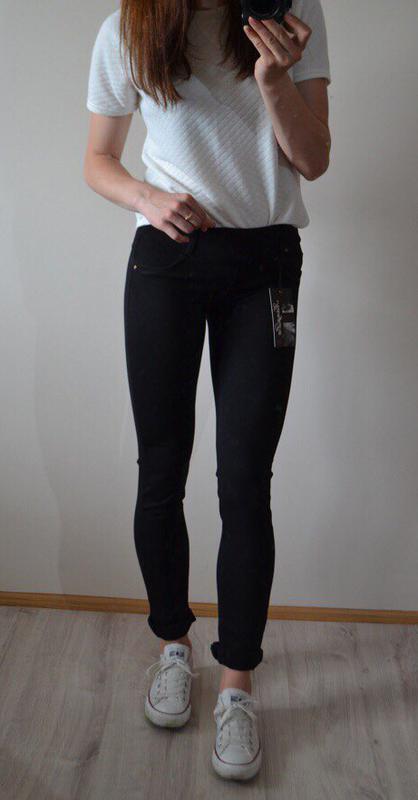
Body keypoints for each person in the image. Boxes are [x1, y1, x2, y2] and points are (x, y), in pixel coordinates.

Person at [84, 0, 331, 781]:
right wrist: (147, 199)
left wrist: (273, 79)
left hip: (265, 267)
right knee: (160, 471)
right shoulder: (129, 27)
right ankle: (171, 647)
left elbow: (314, 160)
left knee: (244, 481)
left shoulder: (290, 14)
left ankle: (236, 685)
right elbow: (98, 159)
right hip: (165, 262)